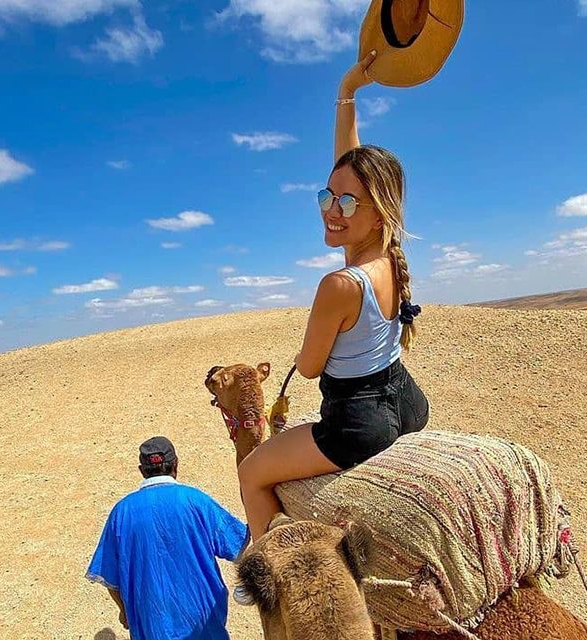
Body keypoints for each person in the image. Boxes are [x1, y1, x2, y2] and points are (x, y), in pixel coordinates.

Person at [236, 51, 430, 551]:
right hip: (406, 402)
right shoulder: (389, 252)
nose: (332, 210)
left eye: (346, 203)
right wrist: (348, 90)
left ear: (377, 210)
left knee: (254, 472)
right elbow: (351, 165)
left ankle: (266, 577)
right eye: (327, 196)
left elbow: (309, 368)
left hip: (356, 424)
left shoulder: (338, 285)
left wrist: (301, 355)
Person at [86, 436, 249, 640]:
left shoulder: (122, 511)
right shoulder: (195, 500)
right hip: (205, 626)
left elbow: (110, 578)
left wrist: (124, 611)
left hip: (152, 626)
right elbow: (240, 545)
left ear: (141, 470)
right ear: (176, 465)